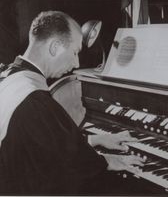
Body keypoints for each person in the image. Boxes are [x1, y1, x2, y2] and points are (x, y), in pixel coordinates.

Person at [0, 11, 145, 195]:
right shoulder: (33, 99)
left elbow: (45, 141)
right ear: (54, 47)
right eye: (74, 52)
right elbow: (66, 163)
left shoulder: (9, 76)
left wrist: (95, 139)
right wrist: (107, 161)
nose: (76, 63)